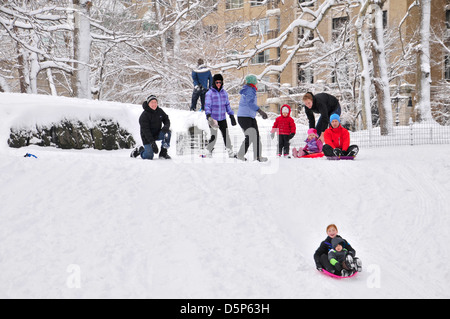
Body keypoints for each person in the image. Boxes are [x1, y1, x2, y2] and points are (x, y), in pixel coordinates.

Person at [236, 75, 268, 162]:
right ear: (253, 82)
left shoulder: (250, 89)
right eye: (256, 81)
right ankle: (240, 155)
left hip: (249, 117)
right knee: (250, 136)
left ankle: (258, 157)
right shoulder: (249, 90)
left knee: (256, 136)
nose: (257, 83)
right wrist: (260, 111)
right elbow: (250, 103)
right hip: (244, 117)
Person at [204, 74, 237, 158]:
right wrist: (208, 115)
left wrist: (231, 115)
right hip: (213, 118)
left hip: (222, 118)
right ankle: (209, 150)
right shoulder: (209, 93)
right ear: (214, 83)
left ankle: (230, 152)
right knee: (214, 136)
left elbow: (227, 105)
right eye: (217, 82)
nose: (218, 84)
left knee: (226, 135)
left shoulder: (224, 93)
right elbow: (207, 105)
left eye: (220, 82)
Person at [130, 95, 171, 160]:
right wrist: (152, 143)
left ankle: (163, 153)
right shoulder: (144, 116)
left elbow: (166, 119)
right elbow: (146, 131)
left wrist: (166, 126)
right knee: (149, 156)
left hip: (157, 134)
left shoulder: (160, 111)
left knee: (167, 133)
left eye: (155, 102)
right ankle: (139, 150)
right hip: (147, 137)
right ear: (148, 103)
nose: (154, 104)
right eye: (152, 102)